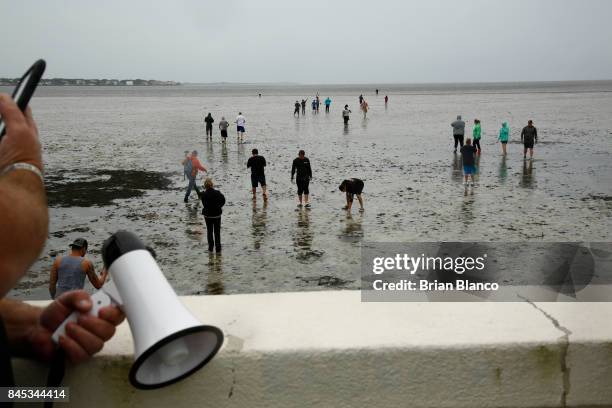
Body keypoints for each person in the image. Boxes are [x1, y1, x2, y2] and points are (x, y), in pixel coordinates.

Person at [0, 93, 124, 376]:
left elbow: (52, 284)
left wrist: (27, 329)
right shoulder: (84, 263)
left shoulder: (58, 260)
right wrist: (24, 163)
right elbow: (19, 238)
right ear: (84, 248)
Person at [198, 178, 225, 253]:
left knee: (209, 231)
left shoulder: (204, 195)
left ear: (205, 186)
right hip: (217, 215)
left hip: (207, 215)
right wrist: (219, 206)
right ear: (212, 185)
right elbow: (223, 200)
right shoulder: (217, 193)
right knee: (217, 231)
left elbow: (203, 203)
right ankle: (218, 247)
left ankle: (210, 247)